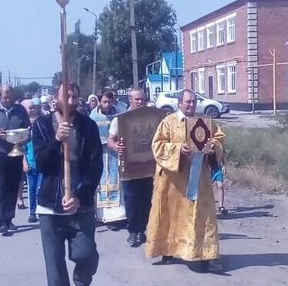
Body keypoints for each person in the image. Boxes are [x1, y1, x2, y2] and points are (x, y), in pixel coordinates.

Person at [32, 82, 103, 286]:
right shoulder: (41, 125)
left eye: (75, 95)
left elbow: (96, 167)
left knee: (85, 254)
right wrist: (56, 139)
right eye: (66, 95)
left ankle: (83, 279)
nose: (71, 99)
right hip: (50, 206)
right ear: (55, 98)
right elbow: (41, 163)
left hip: (80, 206)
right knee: (54, 265)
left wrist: (81, 197)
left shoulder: (88, 126)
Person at [144, 89, 225, 273]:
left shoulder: (204, 122)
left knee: (202, 216)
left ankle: (206, 254)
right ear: (180, 102)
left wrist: (214, 147)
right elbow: (157, 145)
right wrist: (178, 149)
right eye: (188, 101)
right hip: (173, 181)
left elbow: (219, 138)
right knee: (170, 214)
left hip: (199, 180)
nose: (191, 105)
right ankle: (167, 249)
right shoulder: (168, 122)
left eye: (194, 101)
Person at [0, 84, 30, 234]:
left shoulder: (20, 110)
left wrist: (24, 138)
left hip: (16, 154)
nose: (8, 99)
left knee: (13, 188)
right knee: (1, 188)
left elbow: (28, 129)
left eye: (10, 96)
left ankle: (9, 219)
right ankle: (2, 222)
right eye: (5, 97)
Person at [109, 87, 153, 246]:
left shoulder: (151, 116)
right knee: (132, 199)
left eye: (142, 99)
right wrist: (116, 148)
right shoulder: (120, 119)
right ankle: (133, 231)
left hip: (149, 165)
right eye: (137, 99)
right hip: (129, 166)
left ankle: (145, 230)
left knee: (148, 199)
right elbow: (111, 140)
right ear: (130, 100)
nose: (140, 102)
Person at [90, 90, 125, 228]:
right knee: (102, 184)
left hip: (115, 154)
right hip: (100, 153)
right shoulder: (93, 116)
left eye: (109, 101)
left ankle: (118, 215)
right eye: (104, 101)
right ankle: (104, 215)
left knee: (117, 182)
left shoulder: (118, 114)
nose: (107, 104)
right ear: (99, 101)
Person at [22, 98, 44, 223]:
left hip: (42, 162)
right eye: (29, 108)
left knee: (41, 189)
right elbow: (21, 146)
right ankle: (32, 212)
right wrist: (24, 161)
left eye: (34, 107)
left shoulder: (42, 122)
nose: (32, 109)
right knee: (32, 189)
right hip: (30, 163)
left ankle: (41, 211)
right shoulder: (24, 126)